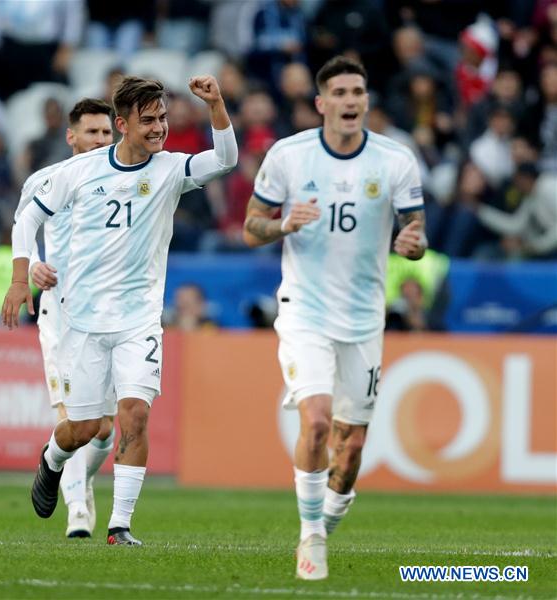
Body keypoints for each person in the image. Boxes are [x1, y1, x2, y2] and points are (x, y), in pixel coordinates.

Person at [3, 74, 237, 545]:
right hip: (82, 319)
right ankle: (51, 460)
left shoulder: (171, 169)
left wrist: (216, 105)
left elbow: (226, 160)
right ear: (122, 123)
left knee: (134, 412)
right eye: (148, 121)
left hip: (139, 318)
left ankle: (119, 525)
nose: (159, 129)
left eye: (163, 119)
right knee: (85, 428)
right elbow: (27, 219)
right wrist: (18, 278)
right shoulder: (79, 173)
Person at [242, 55, 426, 580]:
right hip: (305, 310)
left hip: (364, 317)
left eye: (358, 92)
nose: (350, 101)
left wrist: (412, 244)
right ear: (321, 103)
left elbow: (417, 234)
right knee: (317, 421)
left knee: (352, 449)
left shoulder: (394, 161)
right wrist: (282, 226)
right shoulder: (289, 156)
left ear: (366, 101)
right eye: (340, 93)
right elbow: (252, 227)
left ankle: (330, 515)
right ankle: (311, 536)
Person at [12, 97, 115, 538]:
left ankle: (82, 479)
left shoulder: (127, 178)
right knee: (72, 415)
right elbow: (24, 227)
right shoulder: (45, 180)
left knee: (106, 429)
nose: (100, 140)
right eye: (92, 132)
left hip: (112, 312)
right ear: (71, 136)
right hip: (61, 311)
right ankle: (76, 509)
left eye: (107, 132)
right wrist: (33, 264)